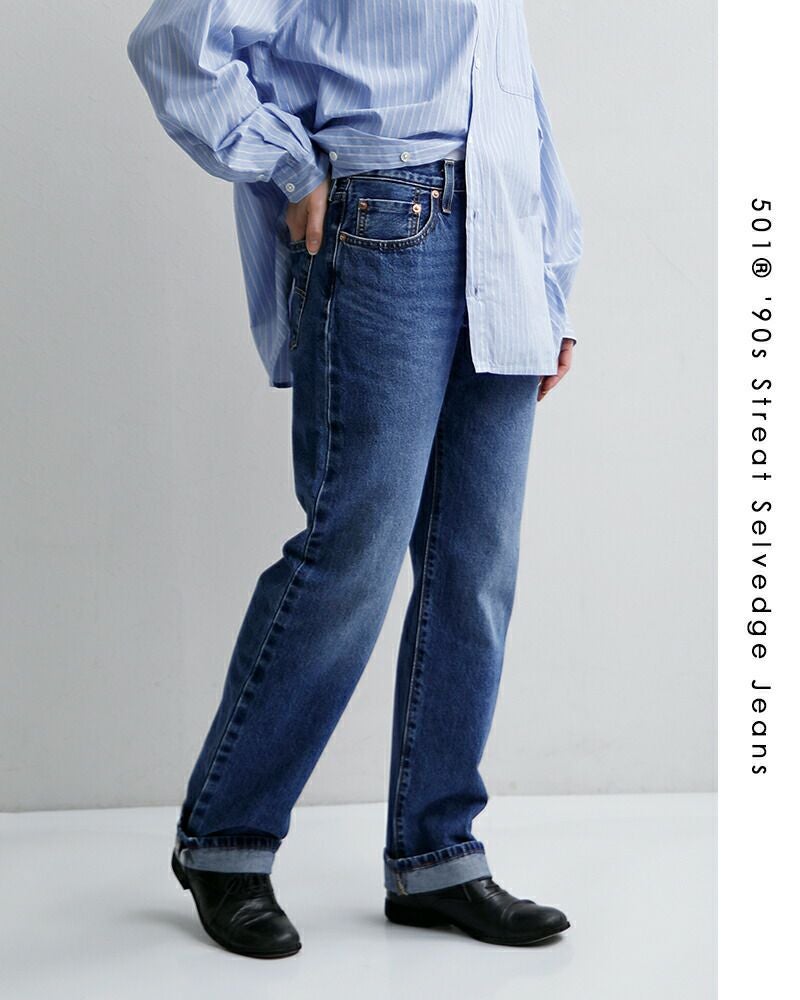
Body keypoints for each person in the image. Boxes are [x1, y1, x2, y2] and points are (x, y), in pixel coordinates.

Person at [127, 0, 583, 958]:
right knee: (351, 555)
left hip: (503, 229)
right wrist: (290, 167)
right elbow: (178, 42)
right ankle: (224, 840)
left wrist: (549, 277)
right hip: (383, 222)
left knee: (476, 570)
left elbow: (509, 84)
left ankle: (437, 856)